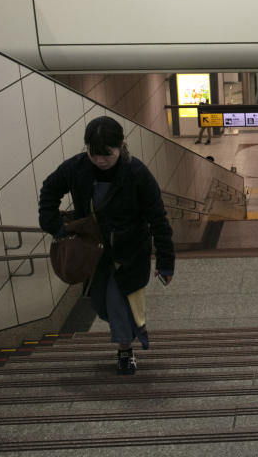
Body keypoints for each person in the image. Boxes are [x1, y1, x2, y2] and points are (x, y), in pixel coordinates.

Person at [38, 116, 175, 375]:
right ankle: (130, 328)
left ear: (121, 145)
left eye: (107, 155)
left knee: (117, 301)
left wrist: (166, 262)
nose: (100, 160)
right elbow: (50, 189)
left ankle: (125, 352)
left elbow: (158, 218)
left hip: (130, 253)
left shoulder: (137, 174)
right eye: (94, 153)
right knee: (101, 304)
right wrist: (52, 223)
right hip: (93, 251)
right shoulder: (77, 168)